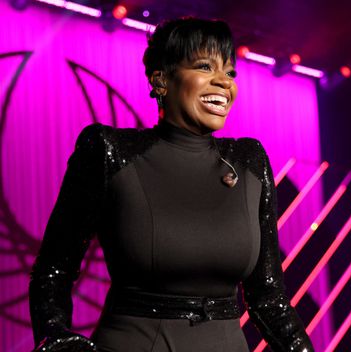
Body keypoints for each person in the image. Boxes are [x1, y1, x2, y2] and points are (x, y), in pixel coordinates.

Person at [29, 17, 314, 352]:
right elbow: (53, 270)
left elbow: (268, 297)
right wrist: (54, 334)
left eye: (231, 72)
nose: (224, 82)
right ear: (161, 79)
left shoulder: (249, 160)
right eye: (206, 66)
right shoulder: (109, 151)